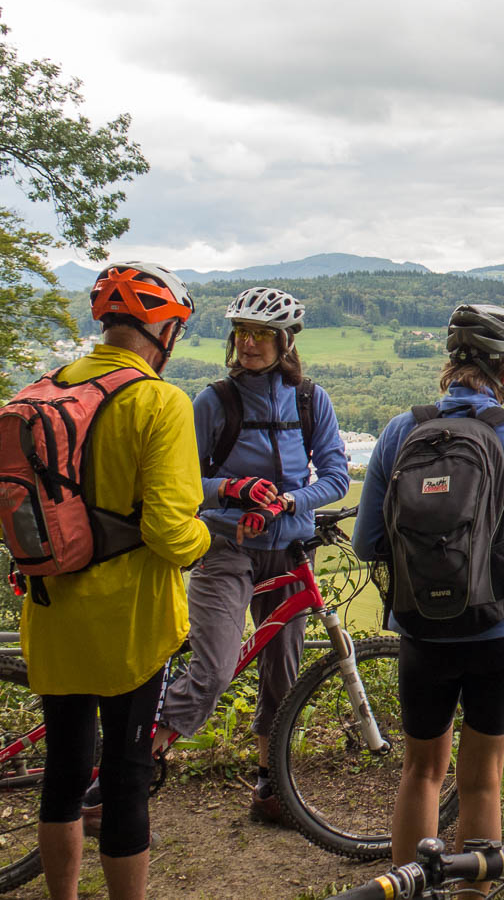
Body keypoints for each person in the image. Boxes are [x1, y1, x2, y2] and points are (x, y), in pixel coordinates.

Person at [97, 285, 349, 825]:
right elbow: (181, 479)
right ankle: (127, 773)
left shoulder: (310, 399)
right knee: (214, 668)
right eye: (241, 333)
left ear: (285, 342)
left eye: (261, 334)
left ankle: (269, 784)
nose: (249, 343)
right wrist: (233, 490)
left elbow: (333, 477)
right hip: (226, 547)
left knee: (283, 674)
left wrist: (288, 500)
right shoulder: (215, 401)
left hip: (288, 550)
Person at [21, 262, 211, 900]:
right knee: (126, 780)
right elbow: (169, 531)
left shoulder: (43, 391)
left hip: (51, 612)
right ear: (166, 330)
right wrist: (209, 538)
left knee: (64, 774)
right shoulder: (160, 402)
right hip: (130, 627)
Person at [352, 303, 504, 865]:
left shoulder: (403, 430)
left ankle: (406, 887)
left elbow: (364, 541)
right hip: (502, 630)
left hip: (423, 629)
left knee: (421, 773)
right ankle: (475, 890)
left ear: (453, 361)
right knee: (483, 782)